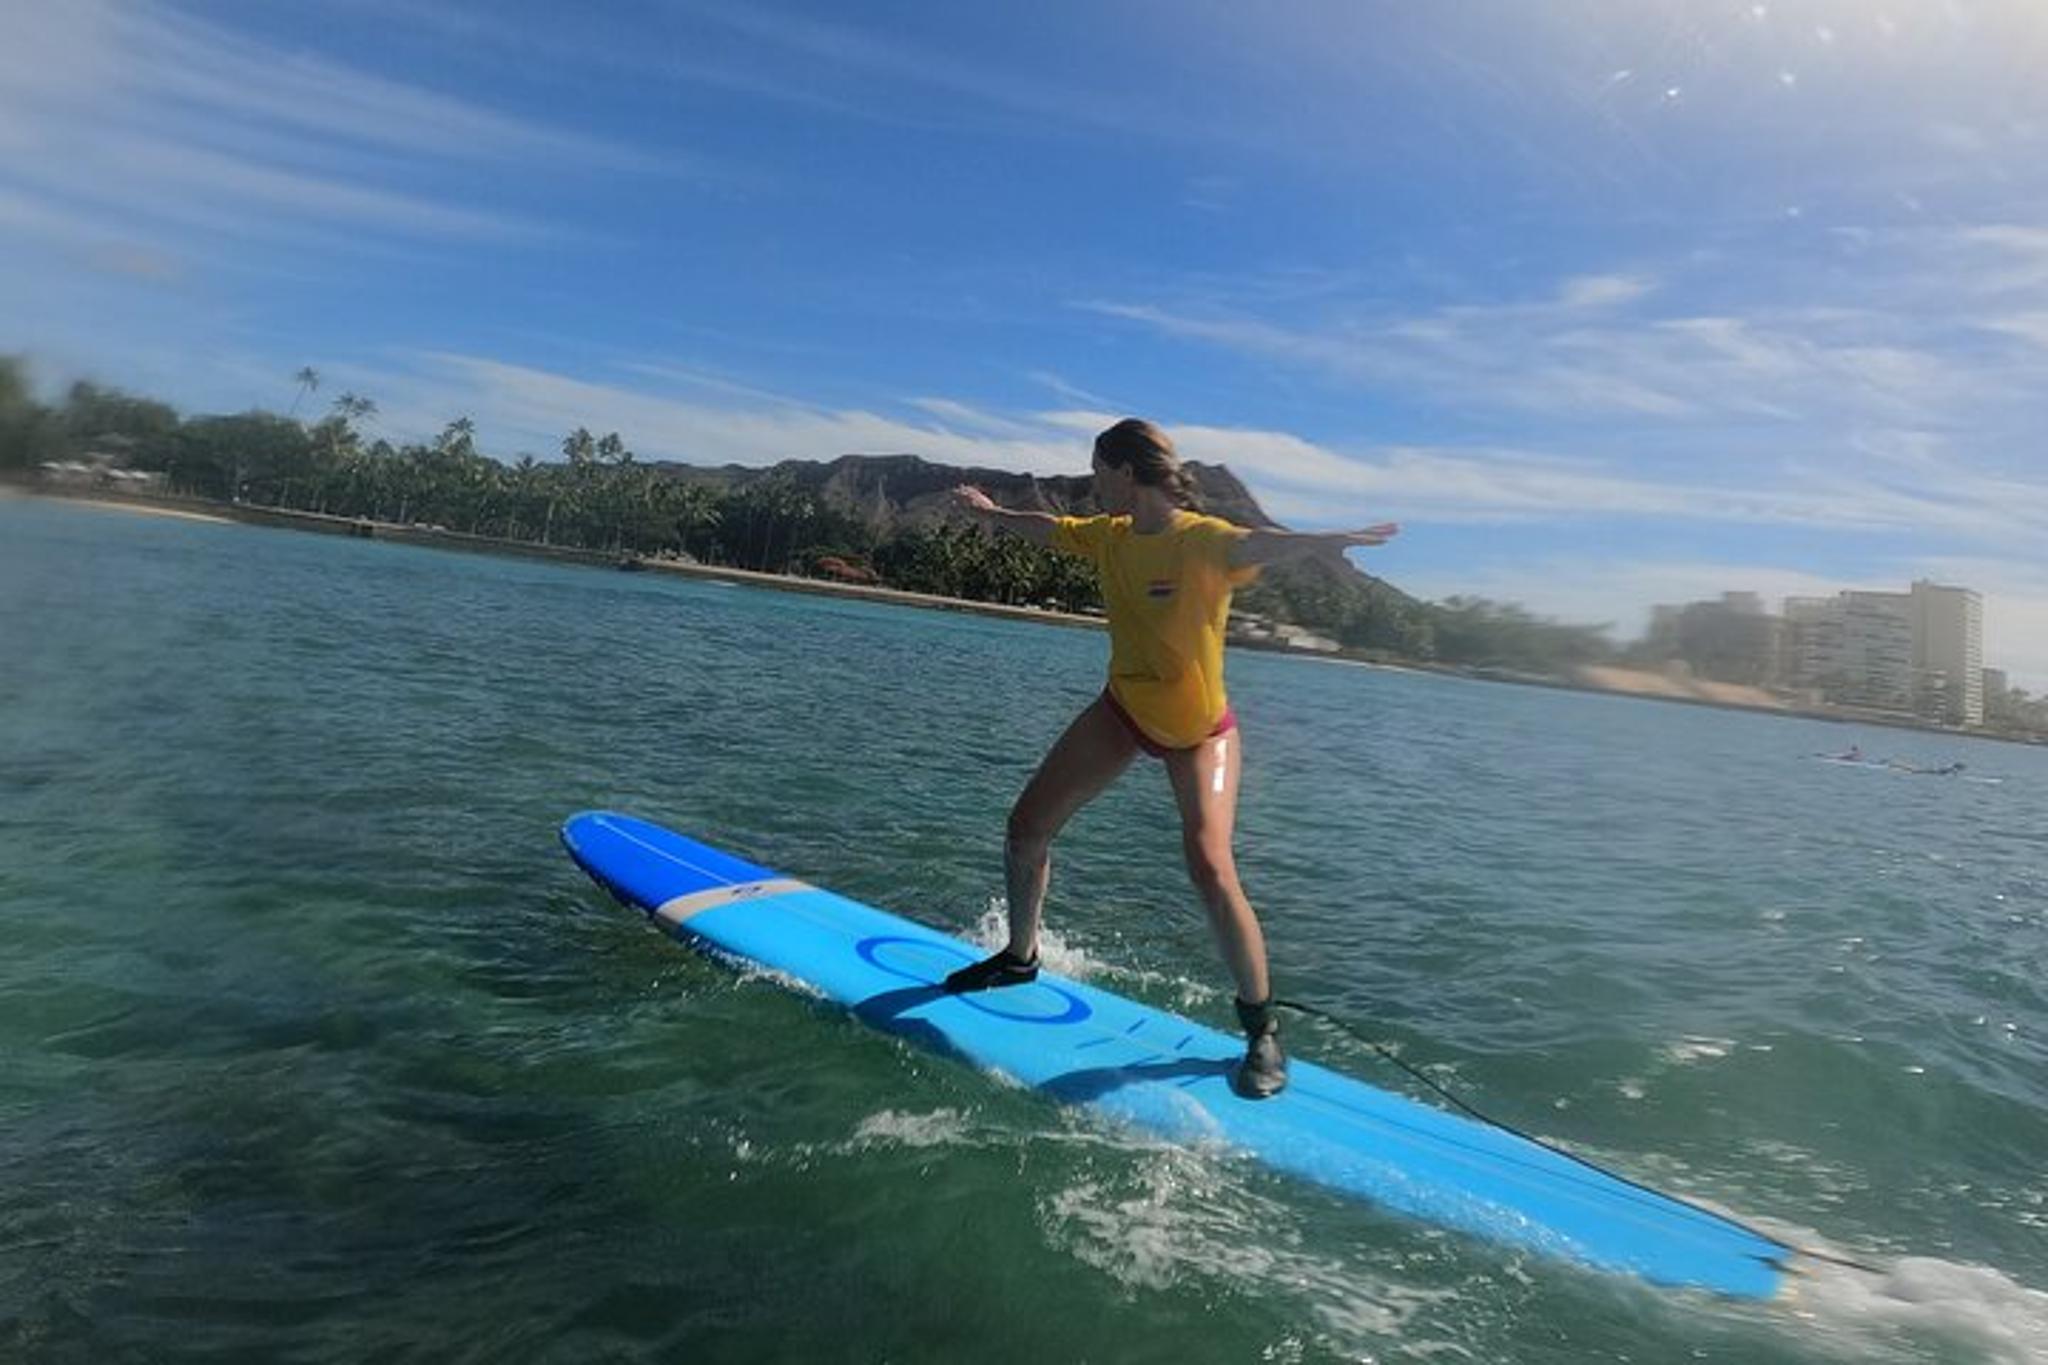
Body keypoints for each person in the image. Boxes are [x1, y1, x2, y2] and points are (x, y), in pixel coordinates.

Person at [941, 417, 1398, 1099]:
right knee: (1025, 827)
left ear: (1127, 472)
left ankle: (1261, 1029)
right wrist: (995, 513)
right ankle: (1019, 955)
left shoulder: (1200, 541)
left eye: (1098, 473)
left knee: (1210, 864)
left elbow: (1257, 543)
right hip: (1124, 711)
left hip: (1200, 731)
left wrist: (1323, 540)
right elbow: (1048, 528)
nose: (1091, 486)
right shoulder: (1113, 537)